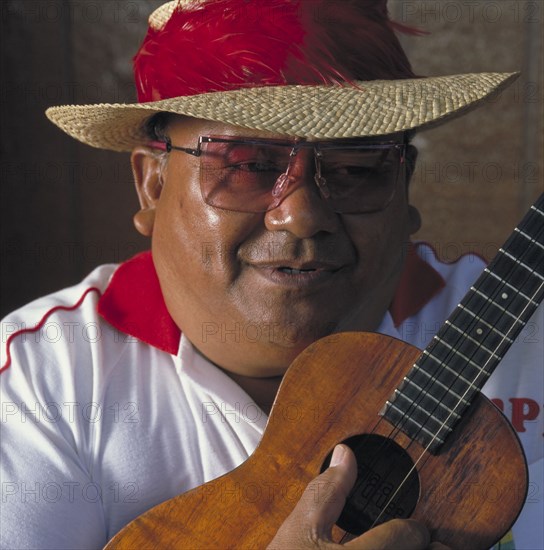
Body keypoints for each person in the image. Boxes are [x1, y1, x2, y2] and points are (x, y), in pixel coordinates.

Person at [1, 1, 542, 548]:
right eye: (248, 165)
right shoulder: (37, 380)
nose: (302, 214)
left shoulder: (532, 335)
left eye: (357, 169)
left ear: (406, 193)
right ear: (153, 186)